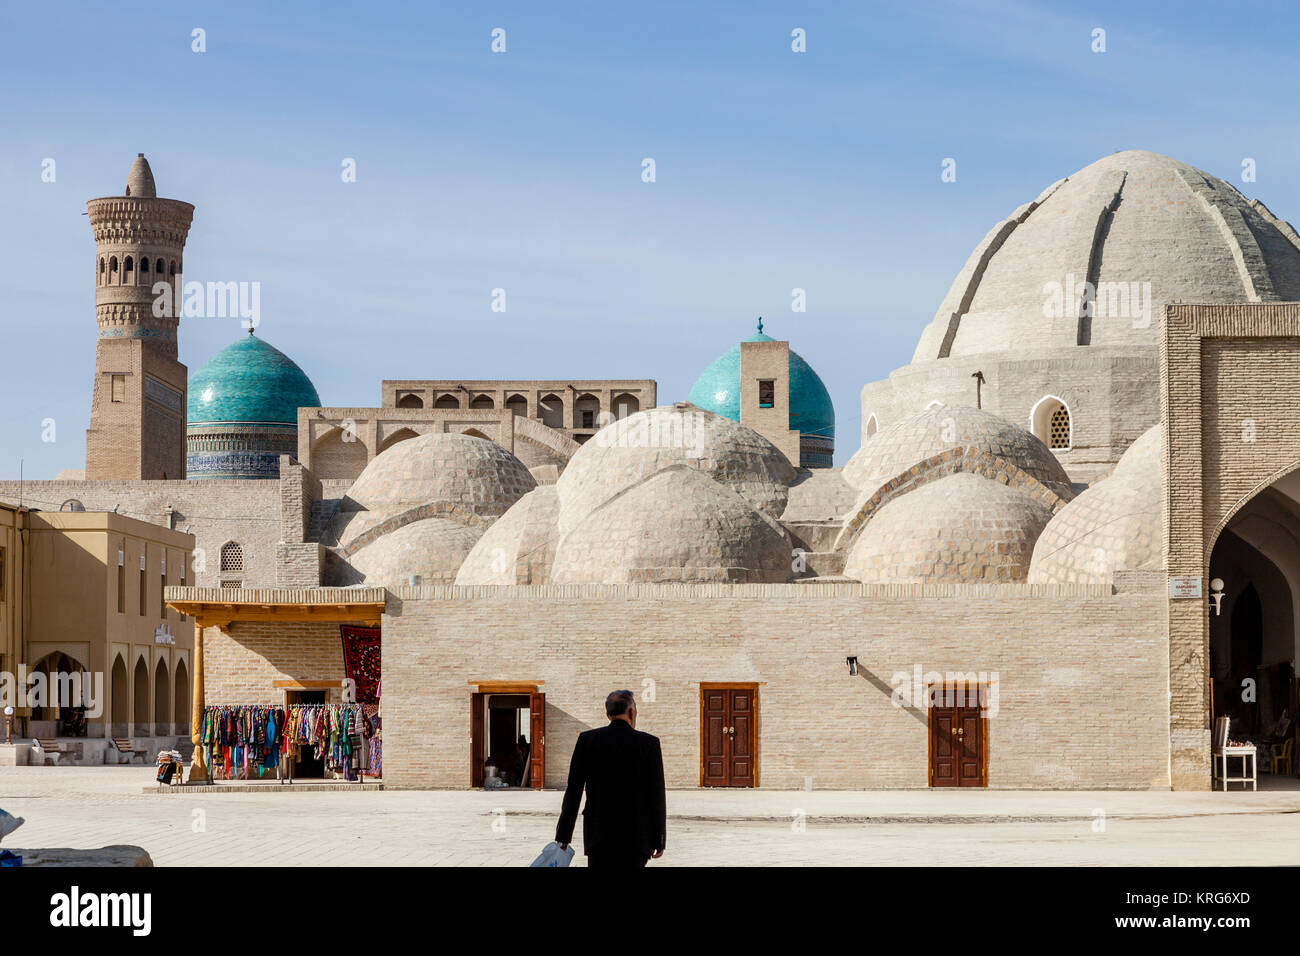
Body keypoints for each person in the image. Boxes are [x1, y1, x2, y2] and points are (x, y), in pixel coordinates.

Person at [555, 689, 666, 868]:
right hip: (637, 836)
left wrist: (563, 835)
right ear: (632, 712)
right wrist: (659, 838)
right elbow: (657, 795)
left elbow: (574, 790)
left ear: (607, 714)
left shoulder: (587, 740)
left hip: (599, 835)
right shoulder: (649, 743)